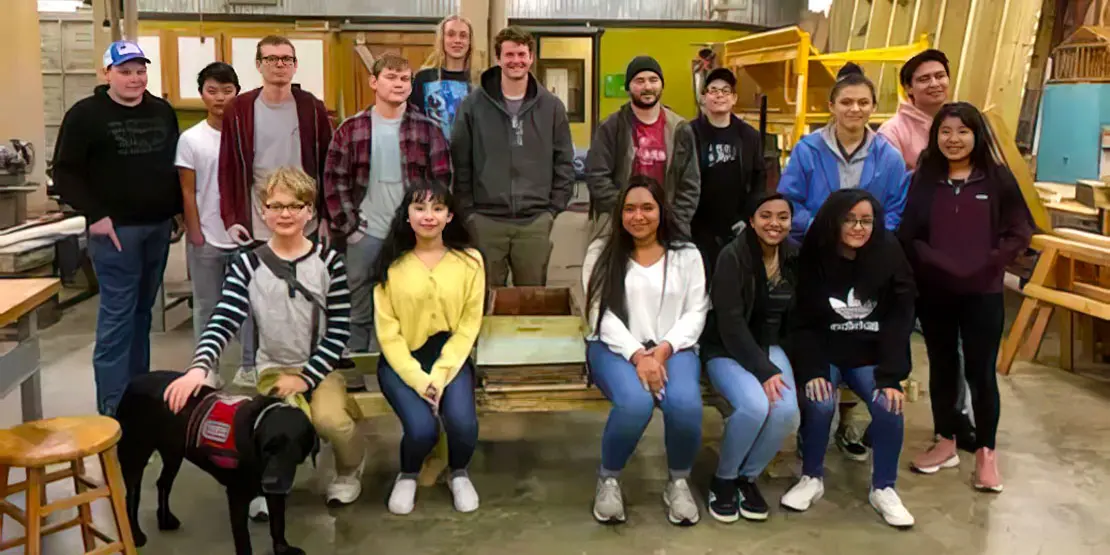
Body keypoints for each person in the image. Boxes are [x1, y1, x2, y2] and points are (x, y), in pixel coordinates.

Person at [164, 166, 365, 508]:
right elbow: (224, 318)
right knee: (268, 427)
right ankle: (263, 483)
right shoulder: (247, 264)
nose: (285, 213)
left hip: (321, 368)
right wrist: (200, 366)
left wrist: (306, 377)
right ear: (263, 211)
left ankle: (349, 469)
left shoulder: (328, 262)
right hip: (272, 368)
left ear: (310, 212)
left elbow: (339, 330)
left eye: (295, 205)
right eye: (276, 205)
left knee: (331, 421)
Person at [899, 102, 1033, 492]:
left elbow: (1019, 232)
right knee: (942, 369)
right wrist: (932, 261)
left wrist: (988, 263)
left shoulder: (997, 180)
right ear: (935, 136)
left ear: (977, 135)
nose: (953, 140)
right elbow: (910, 233)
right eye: (945, 132)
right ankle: (945, 441)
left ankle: (987, 454)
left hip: (983, 293)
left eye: (961, 132)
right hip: (936, 293)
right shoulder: (924, 180)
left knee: (981, 372)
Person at [52, 40, 180, 416]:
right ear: (106, 73)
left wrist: (175, 211)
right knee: (117, 317)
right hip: (115, 232)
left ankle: (137, 398)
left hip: (157, 228)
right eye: (125, 71)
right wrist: (95, 214)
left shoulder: (161, 111)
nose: (135, 78)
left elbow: (171, 164)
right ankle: (111, 407)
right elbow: (64, 172)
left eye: (140, 71)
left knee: (143, 315)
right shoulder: (85, 115)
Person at [779, 189, 916, 528]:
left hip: (868, 356)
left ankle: (884, 487)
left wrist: (892, 375)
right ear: (834, 222)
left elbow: (901, 318)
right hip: (825, 353)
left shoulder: (889, 252)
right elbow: (803, 321)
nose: (859, 227)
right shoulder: (814, 255)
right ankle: (811, 477)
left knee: (889, 405)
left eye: (866, 221)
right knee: (821, 402)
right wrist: (812, 370)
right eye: (850, 220)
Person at [583, 176, 709, 526]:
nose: (639, 216)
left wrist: (663, 351)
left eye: (647, 207)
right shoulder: (601, 253)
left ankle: (678, 481)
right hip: (615, 347)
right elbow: (599, 314)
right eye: (629, 209)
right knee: (635, 403)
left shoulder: (687, 254)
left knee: (684, 403)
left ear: (661, 210)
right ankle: (608, 479)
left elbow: (696, 310)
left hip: (675, 346)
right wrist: (639, 355)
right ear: (619, 213)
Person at [324, 53, 452, 353]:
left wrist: (427, 227)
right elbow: (333, 181)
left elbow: (442, 182)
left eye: (404, 79)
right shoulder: (351, 129)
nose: (398, 84)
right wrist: (350, 228)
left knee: (407, 304)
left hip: (410, 234)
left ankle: (399, 369)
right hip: (364, 233)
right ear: (374, 82)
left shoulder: (428, 130)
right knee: (357, 305)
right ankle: (356, 368)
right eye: (391, 77)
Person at [372, 184, 485, 515]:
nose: (428, 216)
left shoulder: (471, 261)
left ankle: (458, 473)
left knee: (464, 425)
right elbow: (388, 332)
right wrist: (419, 380)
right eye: (419, 208)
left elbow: (469, 325)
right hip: (401, 360)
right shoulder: (391, 264)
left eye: (437, 209)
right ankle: (408, 474)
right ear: (407, 215)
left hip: (451, 356)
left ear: (449, 216)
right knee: (422, 428)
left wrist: (440, 373)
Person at [700, 192, 800, 523]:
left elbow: (797, 316)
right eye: (766, 215)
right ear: (753, 219)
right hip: (726, 348)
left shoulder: (794, 255)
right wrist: (765, 369)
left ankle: (747, 477)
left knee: (786, 410)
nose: (775, 223)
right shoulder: (733, 256)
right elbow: (730, 323)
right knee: (755, 405)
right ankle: (724, 478)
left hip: (768, 346)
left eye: (783, 217)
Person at [452, 26, 574, 287]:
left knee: (532, 302)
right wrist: (468, 212)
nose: (515, 60)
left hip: (535, 221)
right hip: (486, 221)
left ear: (531, 58)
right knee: (484, 299)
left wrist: (553, 209)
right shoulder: (473, 105)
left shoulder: (552, 107)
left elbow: (564, 161)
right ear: (498, 59)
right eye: (509, 54)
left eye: (521, 54)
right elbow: (460, 160)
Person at [177, 62, 258, 387]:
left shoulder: (249, 136)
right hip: (206, 237)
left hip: (245, 236)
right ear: (202, 95)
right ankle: (206, 367)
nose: (220, 98)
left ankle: (250, 364)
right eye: (212, 91)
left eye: (227, 90)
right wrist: (194, 231)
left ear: (237, 94)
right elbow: (187, 189)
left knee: (250, 305)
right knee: (207, 305)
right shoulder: (191, 139)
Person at [219, 35, 332, 245]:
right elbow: (227, 169)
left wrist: (327, 216)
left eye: (286, 59)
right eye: (271, 59)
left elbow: (327, 165)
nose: (280, 64)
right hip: (259, 221)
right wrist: (232, 219)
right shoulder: (239, 109)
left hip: (305, 220)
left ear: (295, 65)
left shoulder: (312, 108)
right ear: (259, 65)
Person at [777, 63, 908, 243]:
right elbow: (789, 202)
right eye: (846, 102)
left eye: (863, 103)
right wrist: (820, 228)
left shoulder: (890, 158)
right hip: (815, 249)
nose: (855, 109)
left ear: (873, 107)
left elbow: (896, 211)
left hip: (870, 254)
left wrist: (869, 238)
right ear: (831, 106)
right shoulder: (807, 150)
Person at [586, 56, 700, 241]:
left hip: (668, 227)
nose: (647, 87)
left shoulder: (680, 129)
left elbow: (690, 185)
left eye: (653, 80)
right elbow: (597, 176)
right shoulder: (611, 127)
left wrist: (675, 220)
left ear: (661, 85)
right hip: (619, 226)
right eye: (640, 81)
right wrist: (627, 212)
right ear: (628, 86)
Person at [689, 67, 766, 274]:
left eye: (725, 91)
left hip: (737, 226)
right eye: (713, 90)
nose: (719, 95)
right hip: (696, 227)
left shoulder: (749, 136)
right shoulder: (689, 133)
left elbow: (759, 180)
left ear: (734, 98)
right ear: (704, 97)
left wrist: (748, 218)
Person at [879, 49, 951, 169]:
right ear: (908, 88)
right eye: (924, 79)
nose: (934, 84)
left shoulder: (964, 122)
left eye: (940, 76)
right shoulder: (892, 132)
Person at [413, 15, 479, 139]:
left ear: (470, 42)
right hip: (431, 154)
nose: (457, 40)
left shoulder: (480, 82)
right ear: (442, 40)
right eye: (451, 34)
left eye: (463, 35)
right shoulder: (423, 78)